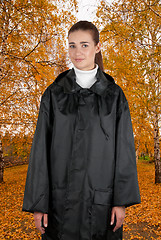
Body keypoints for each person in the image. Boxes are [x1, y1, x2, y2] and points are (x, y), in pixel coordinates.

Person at [22, 20, 141, 240]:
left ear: (97, 47)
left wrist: (120, 202)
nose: (77, 52)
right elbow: (40, 150)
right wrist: (39, 204)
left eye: (84, 45)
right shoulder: (54, 94)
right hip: (60, 204)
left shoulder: (114, 96)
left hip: (101, 204)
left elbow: (124, 151)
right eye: (72, 45)